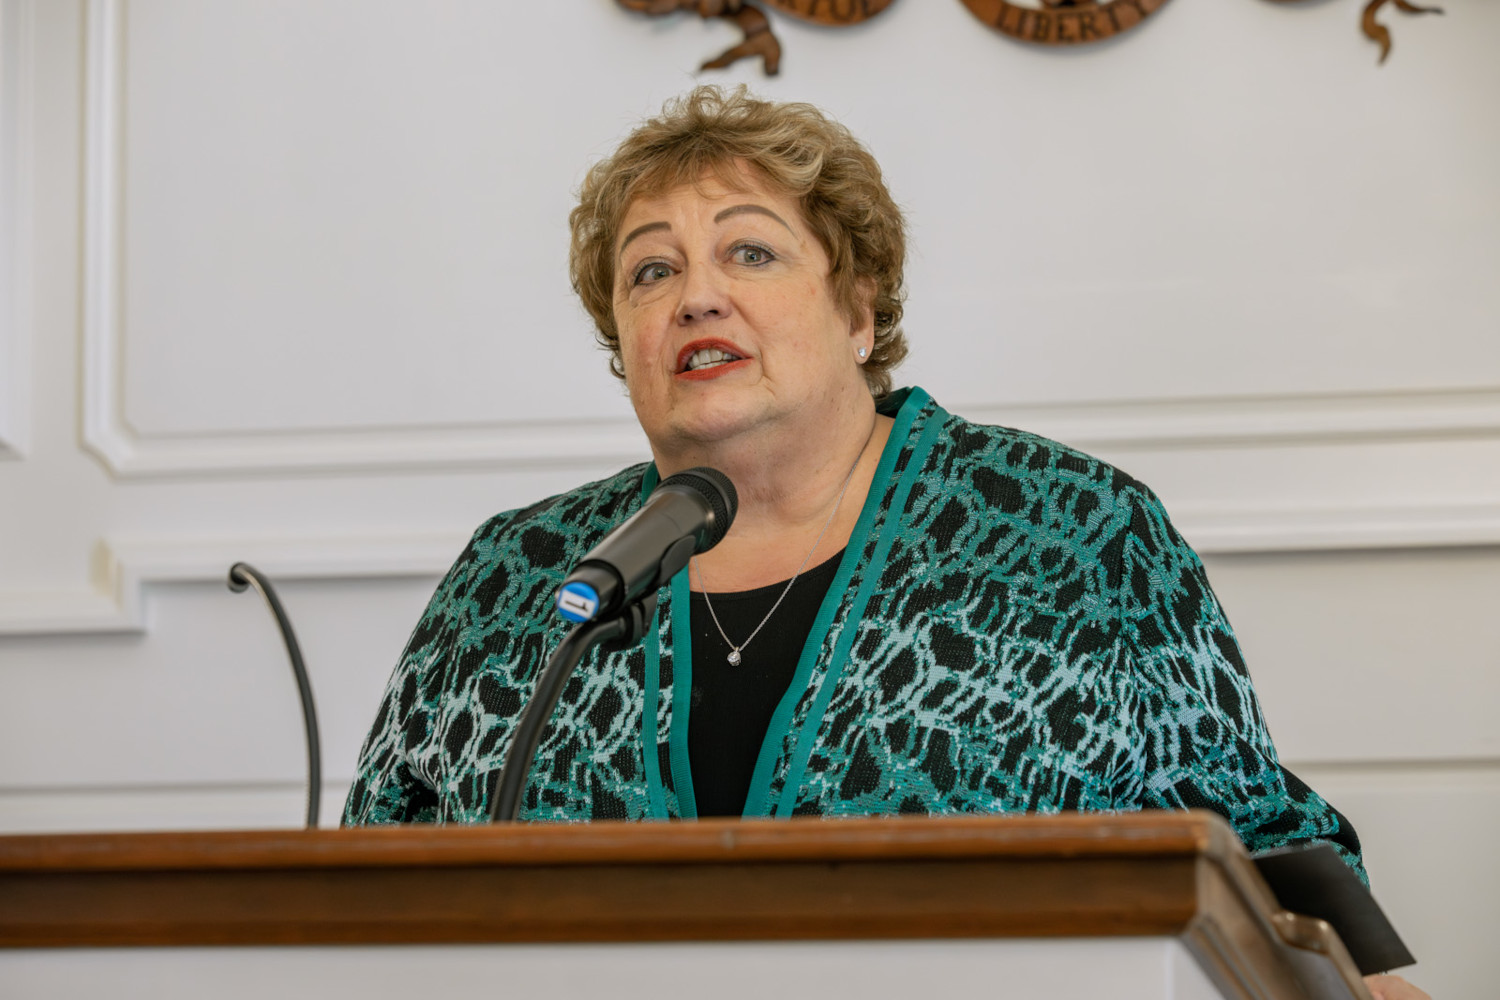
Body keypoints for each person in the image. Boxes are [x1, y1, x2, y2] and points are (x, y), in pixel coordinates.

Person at [345, 83, 1354, 868]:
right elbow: (370, 875)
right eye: (650, 272)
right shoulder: (517, 576)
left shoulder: (1072, 530)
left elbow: (1259, 838)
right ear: (625, 341)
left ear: (859, 310)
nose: (698, 296)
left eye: (750, 252)